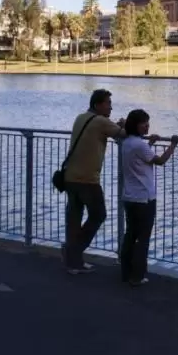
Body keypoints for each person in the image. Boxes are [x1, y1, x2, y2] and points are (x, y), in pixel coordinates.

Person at [61, 88, 143, 274]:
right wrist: (124, 124)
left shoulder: (81, 117)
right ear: (97, 104)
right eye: (108, 103)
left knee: (74, 219)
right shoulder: (100, 121)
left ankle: (73, 261)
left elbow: (107, 128)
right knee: (99, 215)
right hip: (87, 179)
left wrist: (118, 125)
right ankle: (72, 252)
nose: (111, 107)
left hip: (70, 176)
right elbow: (123, 134)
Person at [119, 108, 178, 286]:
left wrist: (150, 143)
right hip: (144, 198)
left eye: (147, 122)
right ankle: (137, 276)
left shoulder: (127, 142)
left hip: (129, 197)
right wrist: (173, 144)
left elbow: (141, 158)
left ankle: (126, 272)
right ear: (135, 125)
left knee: (130, 235)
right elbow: (160, 161)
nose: (147, 126)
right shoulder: (139, 145)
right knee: (142, 238)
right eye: (143, 123)